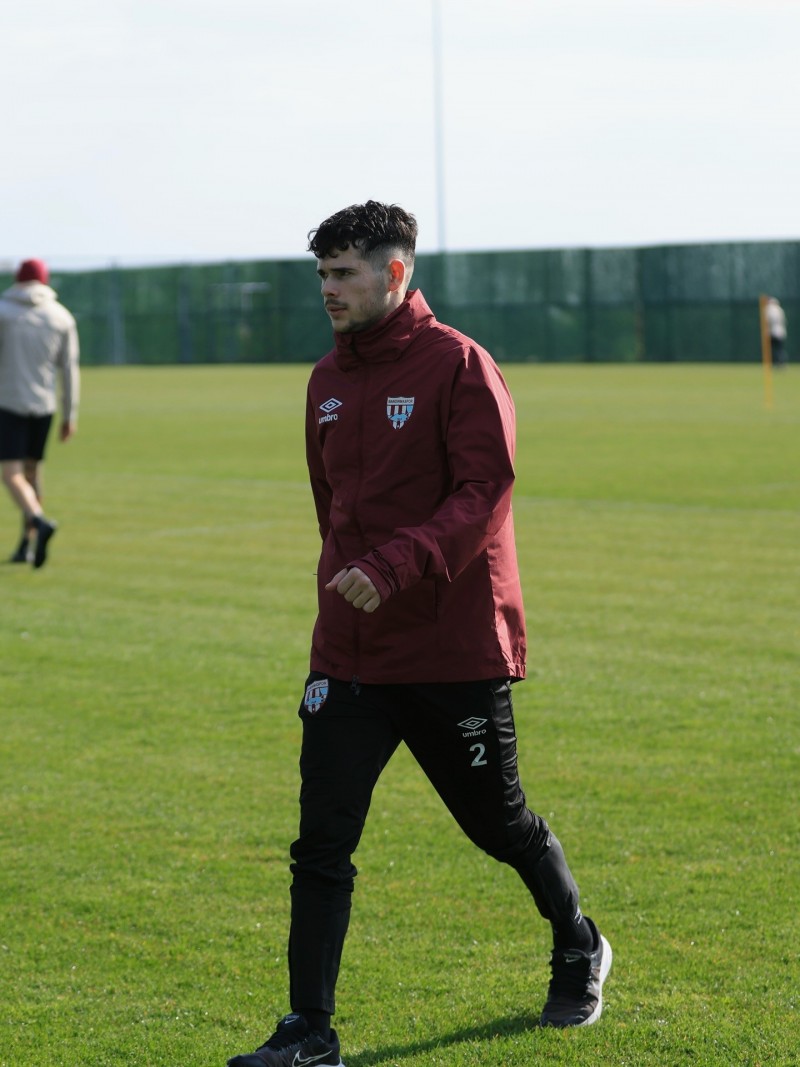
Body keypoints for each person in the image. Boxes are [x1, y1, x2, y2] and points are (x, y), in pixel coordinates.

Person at [227, 202, 611, 1067]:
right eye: (322, 274)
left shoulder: (460, 364)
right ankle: (310, 1030)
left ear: (395, 273)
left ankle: (578, 940)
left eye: (344, 274)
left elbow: (485, 494)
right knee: (320, 843)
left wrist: (394, 566)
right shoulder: (325, 380)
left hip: (449, 645)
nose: (328, 290)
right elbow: (331, 509)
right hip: (349, 652)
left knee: (499, 823)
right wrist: (346, 594)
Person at [0, 258, 79, 568]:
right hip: (44, 405)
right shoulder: (61, 316)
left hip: (8, 402)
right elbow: (69, 369)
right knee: (33, 473)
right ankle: (26, 545)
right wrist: (70, 413)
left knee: (11, 474)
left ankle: (38, 520)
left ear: (17, 280)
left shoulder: (4, 312)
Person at [765, 296, 788, 368]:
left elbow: (769, 321)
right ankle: (781, 363)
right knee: (779, 349)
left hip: (772, 332)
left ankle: (776, 363)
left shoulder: (770, 309)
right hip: (781, 333)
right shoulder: (780, 309)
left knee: (773, 349)